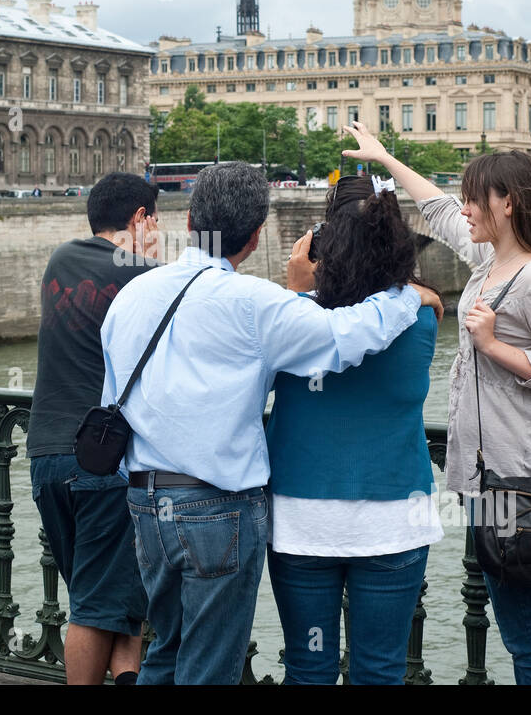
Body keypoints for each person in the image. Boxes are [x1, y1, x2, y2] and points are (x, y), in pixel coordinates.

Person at [100, 160, 444, 685]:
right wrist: (404, 293)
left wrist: (299, 290)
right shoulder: (258, 305)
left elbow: (112, 399)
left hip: (147, 503)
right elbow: (341, 339)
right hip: (217, 507)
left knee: (166, 650)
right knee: (211, 664)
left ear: (190, 219)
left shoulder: (132, 295)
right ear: (258, 233)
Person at [342, 121, 531, 685]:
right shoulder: (487, 260)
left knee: (527, 633)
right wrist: (384, 158)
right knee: (522, 625)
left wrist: (494, 346)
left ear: (507, 204)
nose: (468, 206)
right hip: (488, 478)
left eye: (477, 197)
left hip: (524, 480)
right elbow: (436, 207)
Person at [265, 175, 442, 685]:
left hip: (302, 521)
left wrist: (298, 292)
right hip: (393, 520)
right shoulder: (420, 319)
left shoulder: (292, 324)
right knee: (381, 669)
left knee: (307, 667)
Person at [27, 172, 160, 685]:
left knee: (114, 602)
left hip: (47, 456)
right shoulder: (145, 276)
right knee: (94, 607)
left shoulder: (61, 259)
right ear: (139, 219)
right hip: (104, 460)